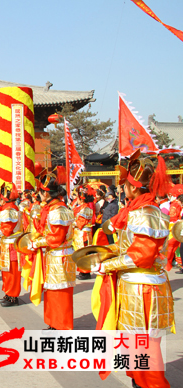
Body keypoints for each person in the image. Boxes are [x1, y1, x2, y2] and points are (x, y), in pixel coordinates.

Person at [92, 151, 174, 388]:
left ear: (134, 188)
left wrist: (107, 265)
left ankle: (153, 384)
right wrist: (105, 253)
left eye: (125, 185)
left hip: (144, 286)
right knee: (134, 341)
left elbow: (142, 255)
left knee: (145, 343)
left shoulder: (148, 213)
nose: (122, 189)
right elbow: (128, 246)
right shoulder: (136, 211)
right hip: (133, 285)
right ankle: (139, 380)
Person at [25, 168, 76, 330]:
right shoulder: (54, 209)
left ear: (46, 194)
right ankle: (54, 323)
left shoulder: (58, 211)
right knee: (52, 291)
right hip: (53, 255)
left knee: (60, 293)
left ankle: (61, 326)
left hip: (60, 255)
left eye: (40, 192)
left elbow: (56, 238)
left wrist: (37, 243)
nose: (39, 195)